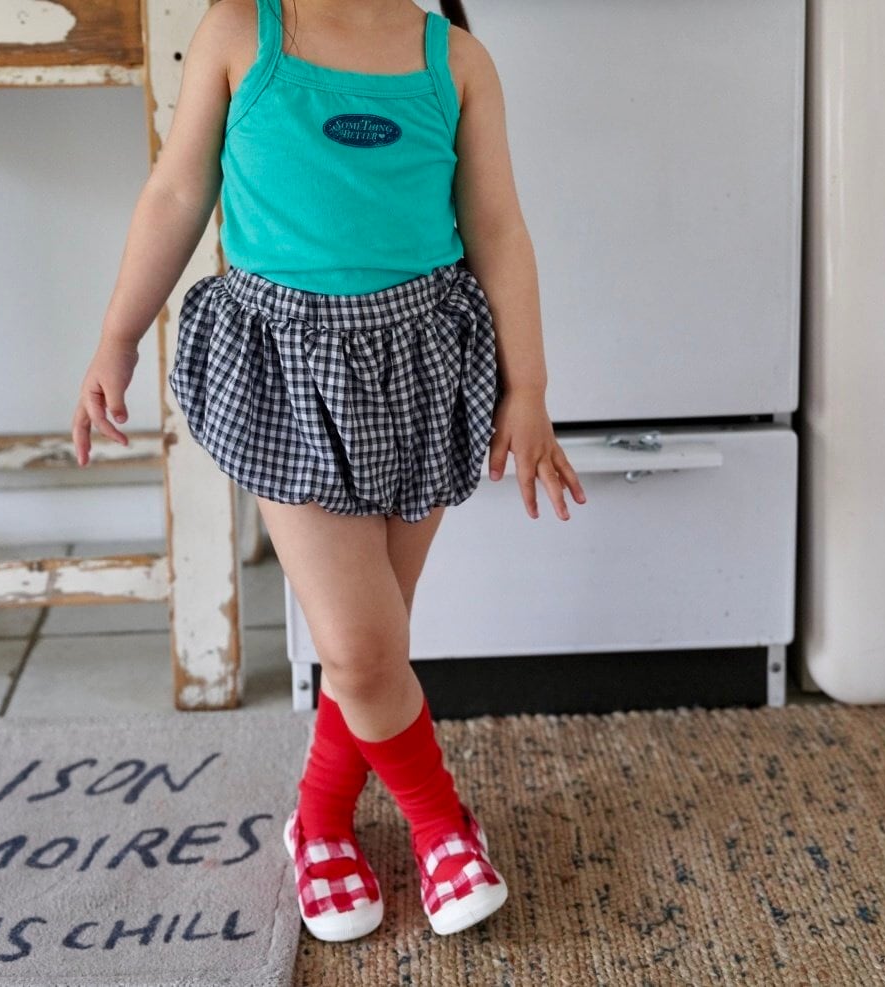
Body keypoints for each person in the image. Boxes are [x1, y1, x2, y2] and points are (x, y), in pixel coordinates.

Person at [71, 0, 586, 943]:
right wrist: (119, 335)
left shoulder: (456, 61)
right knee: (359, 646)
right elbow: (176, 194)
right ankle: (441, 822)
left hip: (422, 367)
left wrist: (530, 387)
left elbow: (498, 228)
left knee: (376, 640)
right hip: (286, 375)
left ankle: (318, 821)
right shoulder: (242, 34)